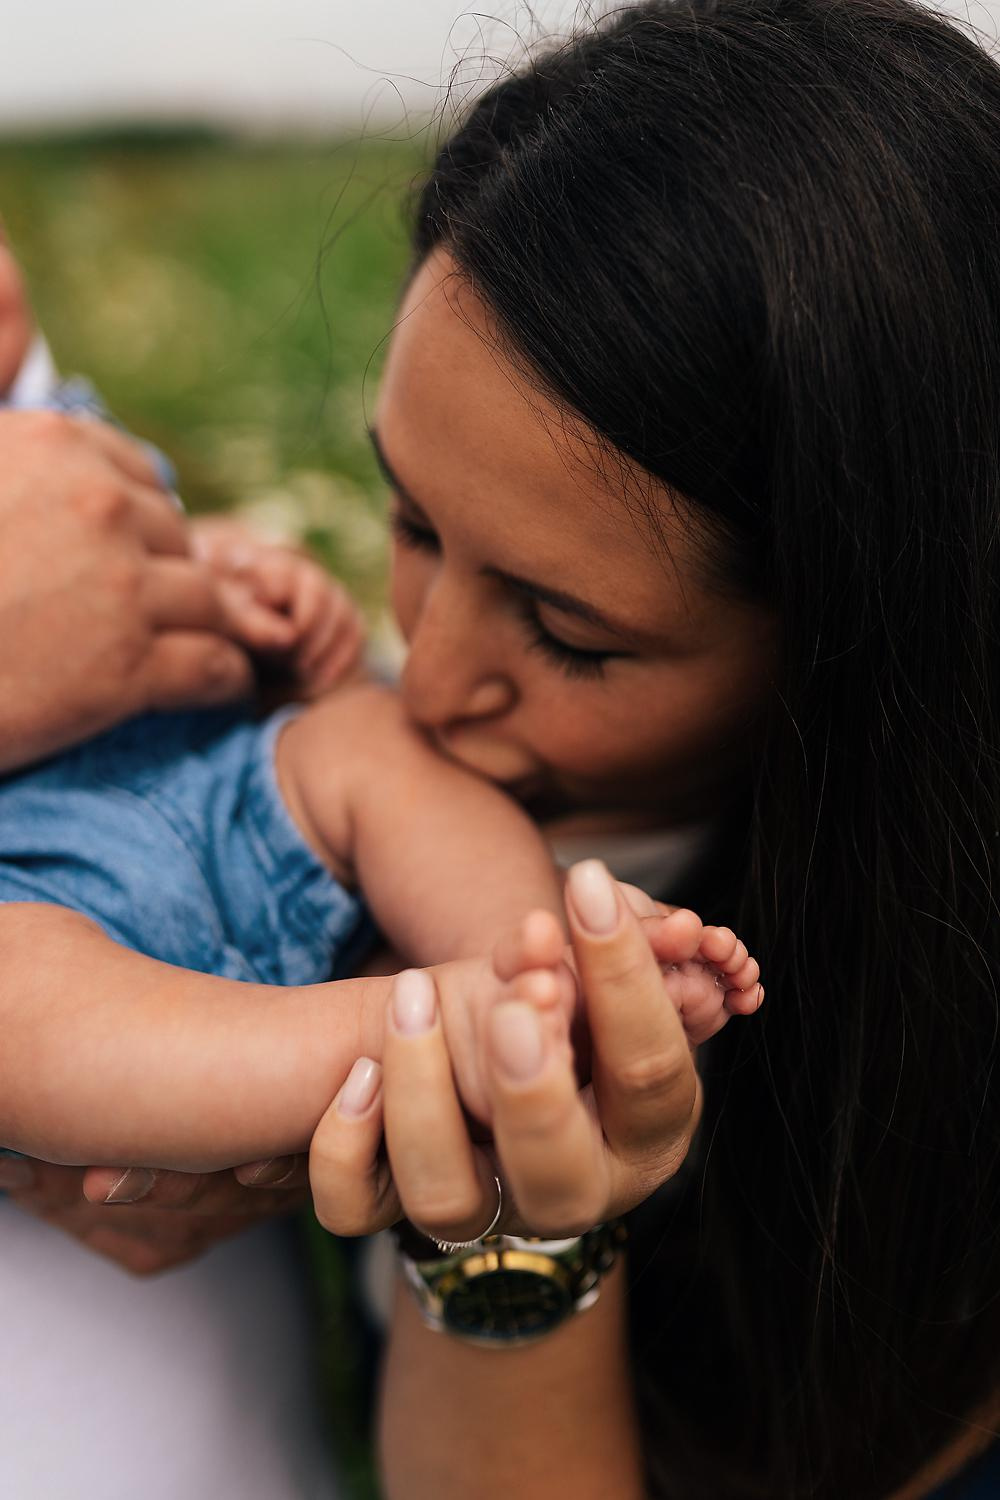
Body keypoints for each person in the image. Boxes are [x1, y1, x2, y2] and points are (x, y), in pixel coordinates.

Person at [291, 1, 1000, 1497]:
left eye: (570, 636)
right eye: (413, 524)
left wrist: (520, 1259)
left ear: (869, 664)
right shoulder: (336, 748)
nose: (434, 682)